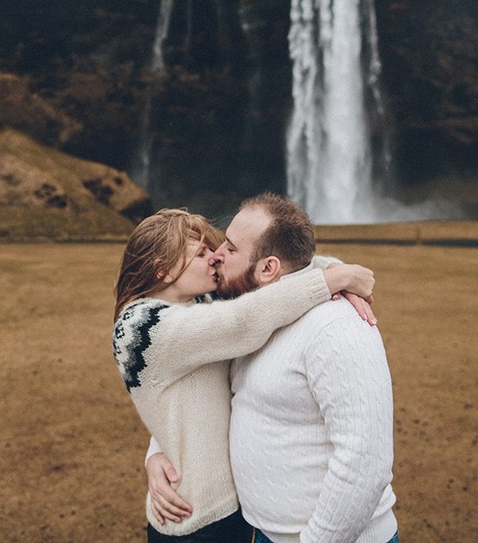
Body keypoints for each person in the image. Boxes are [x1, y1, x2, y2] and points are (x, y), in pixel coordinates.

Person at [112, 208, 376, 541]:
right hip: (194, 520)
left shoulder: (201, 301)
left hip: (236, 514)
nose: (215, 259)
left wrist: (336, 269)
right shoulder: (140, 328)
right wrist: (333, 280)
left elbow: (279, 268)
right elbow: (243, 320)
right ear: (163, 271)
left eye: (215, 249)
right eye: (201, 254)